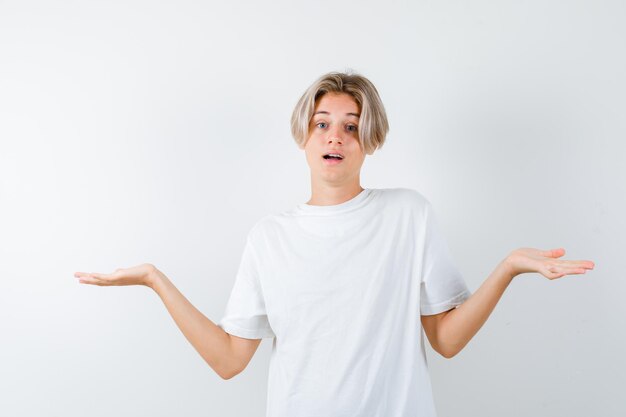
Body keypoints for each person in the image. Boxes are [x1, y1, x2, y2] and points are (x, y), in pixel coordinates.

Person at [74, 70, 595, 417]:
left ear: (370, 140)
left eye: (351, 126)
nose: (335, 136)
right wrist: (153, 279)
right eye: (322, 124)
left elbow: (446, 339)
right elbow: (231, 360)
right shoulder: (269, 238)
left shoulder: (407, 215)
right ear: (304, 136)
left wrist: (507, 267)